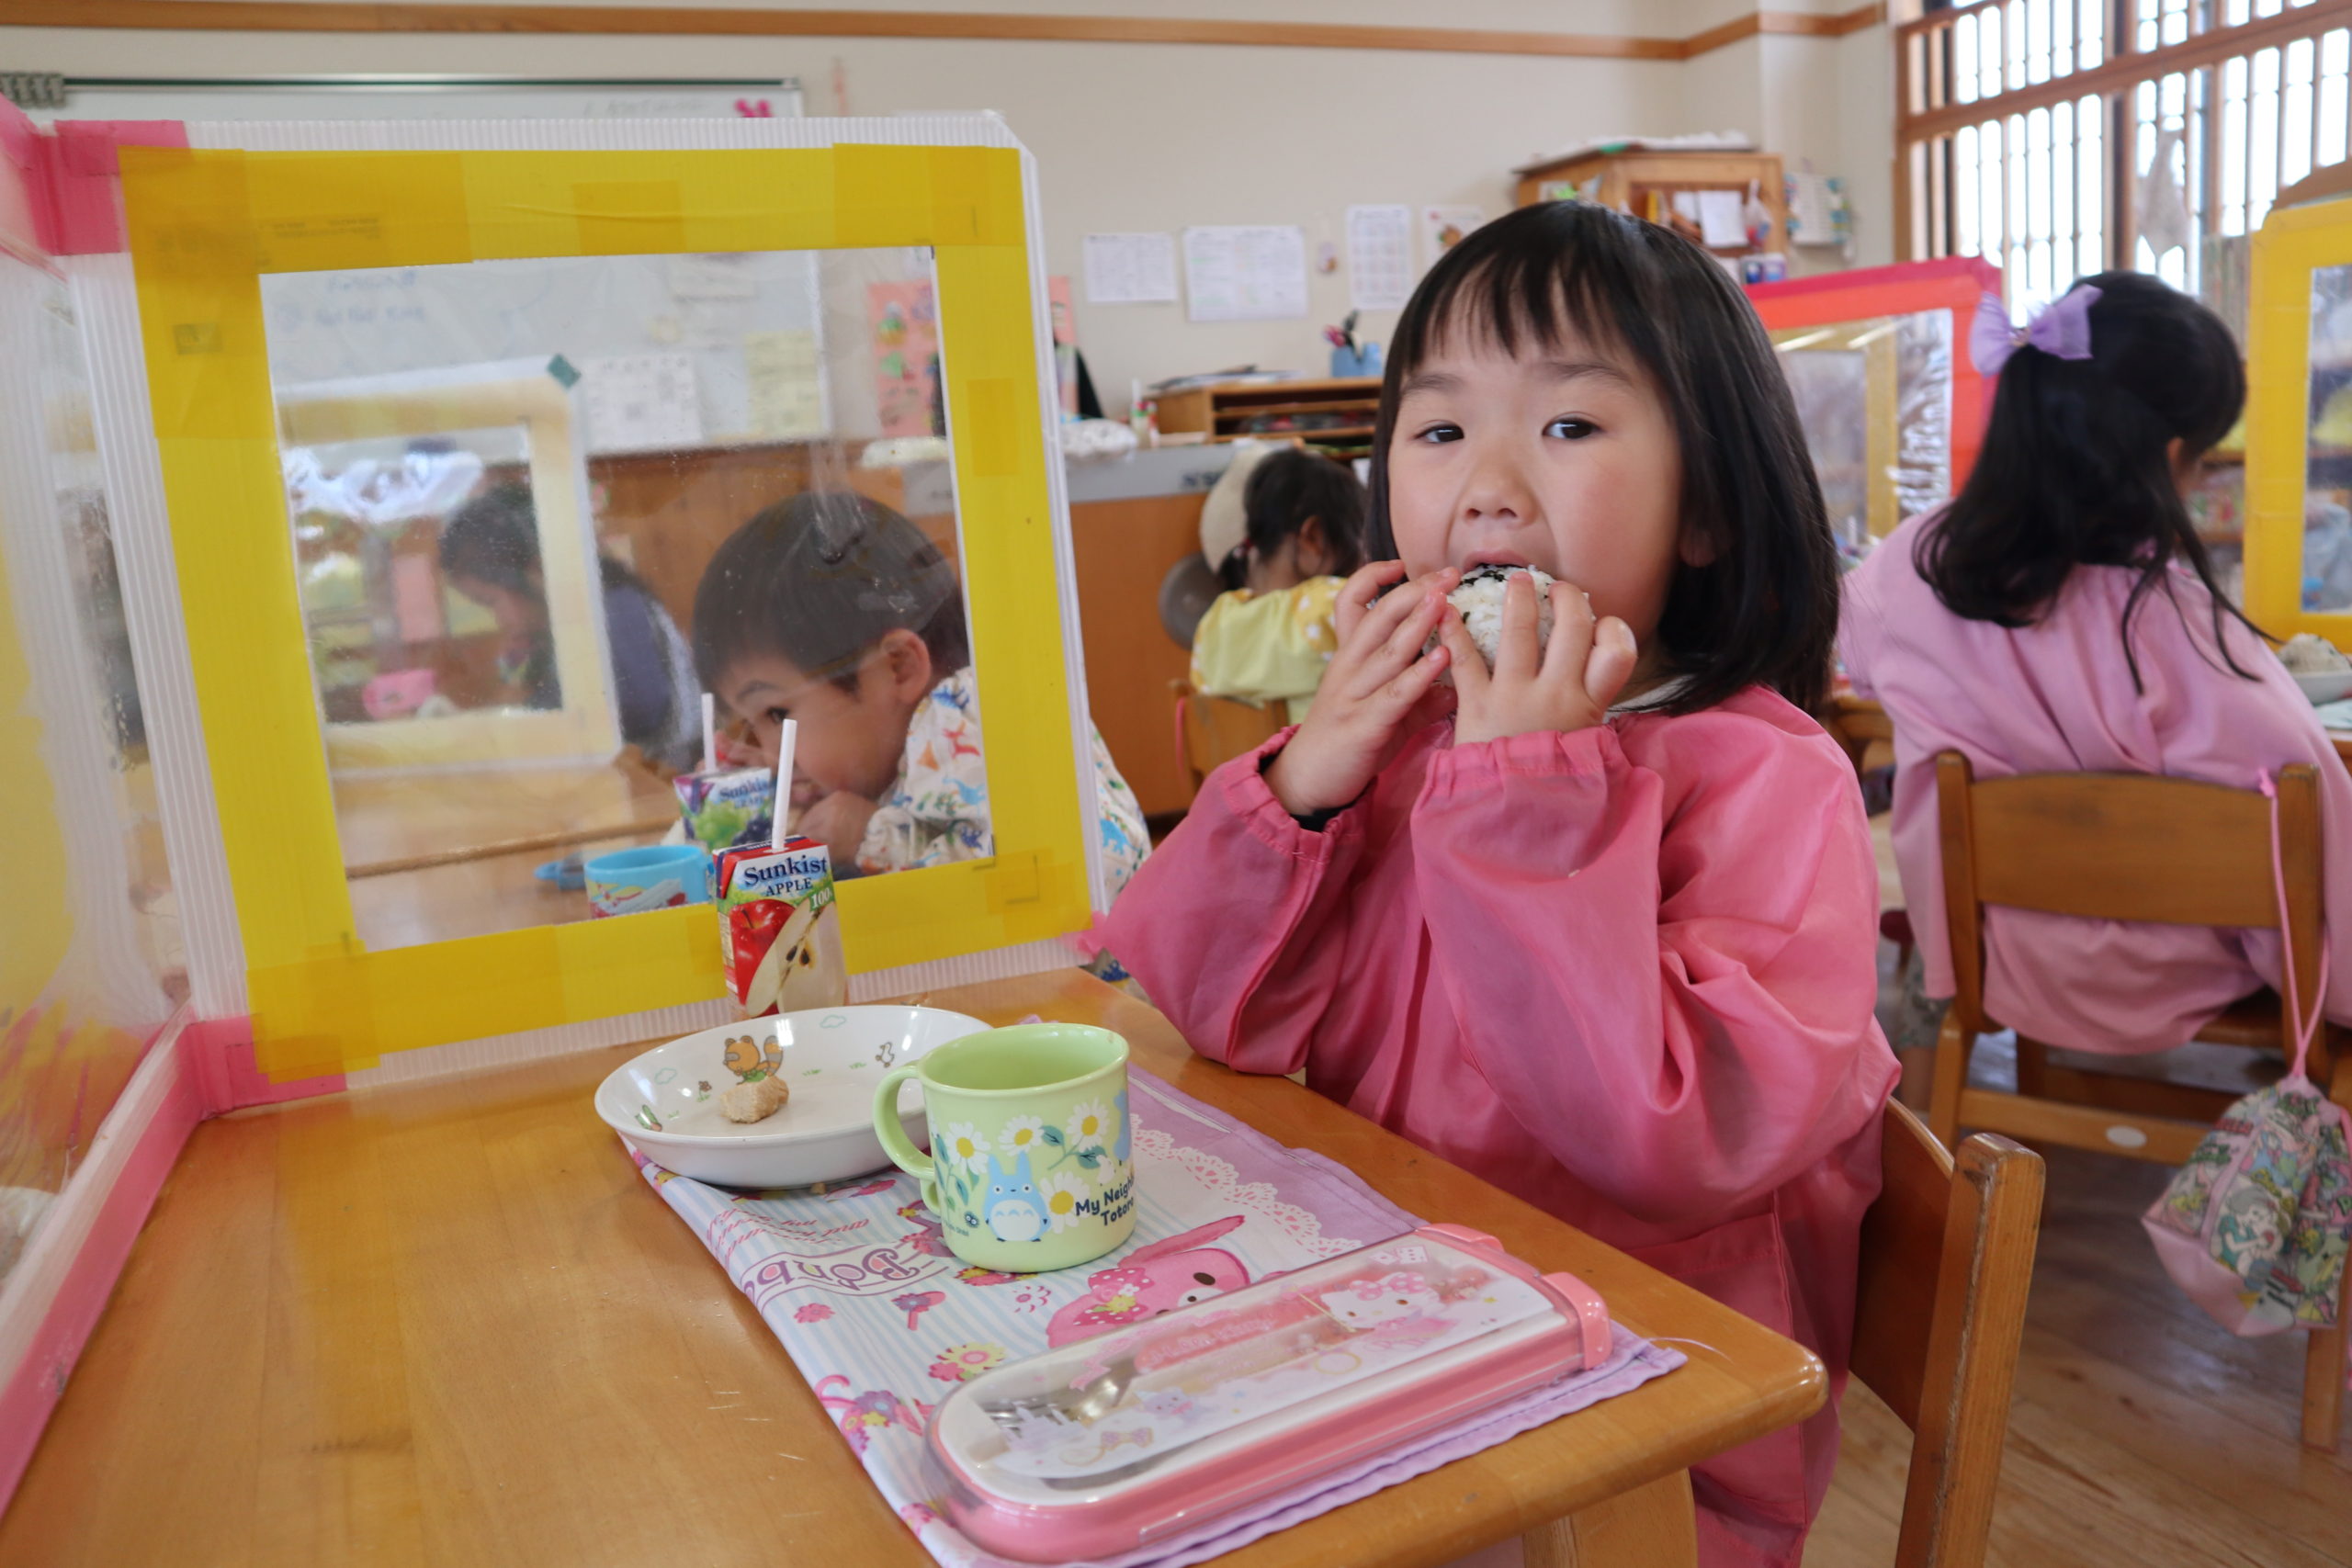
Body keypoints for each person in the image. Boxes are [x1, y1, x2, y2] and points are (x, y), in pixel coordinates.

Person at [1102, 202, 1898, 1567]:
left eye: (1570, 424)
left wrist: (1527, 787)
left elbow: (1671, 1140)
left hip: (1629, 1425)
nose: (1487, 484)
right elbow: (1208, 1004)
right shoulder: (1406, 746)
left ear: (1708, 508)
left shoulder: (1768, 779)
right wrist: (1308, 783)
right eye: (1437, 429)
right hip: (1382, 1339)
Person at [1840, 271, 2352, 1050]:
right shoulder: (2173, 623)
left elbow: (1854, 660)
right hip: (2163, 972)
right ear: (2172, 458)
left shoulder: (1910, 563)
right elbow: (2306, 801)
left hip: (1995, 955)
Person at [692, 491, 1150, 893]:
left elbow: (1090, 865)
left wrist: (871, 837)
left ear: (898, 667)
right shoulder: (920, 730)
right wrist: (782, 791)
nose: (771, 751)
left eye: (775, 714)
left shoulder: (964, 717)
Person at [438, 484, 702, 771]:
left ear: (535, 572)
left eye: (491, 602)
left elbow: (642, 711)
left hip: (662, 781)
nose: (499, 621)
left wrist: (532, 714)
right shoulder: (558, 626)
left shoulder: (612, 610)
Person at [1186, 443, 1368, 723]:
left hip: (1254, 753)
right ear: (1314, 537)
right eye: (1361, 540)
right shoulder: (1330, 604)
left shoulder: (1215, 622)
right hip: (1334, 752)